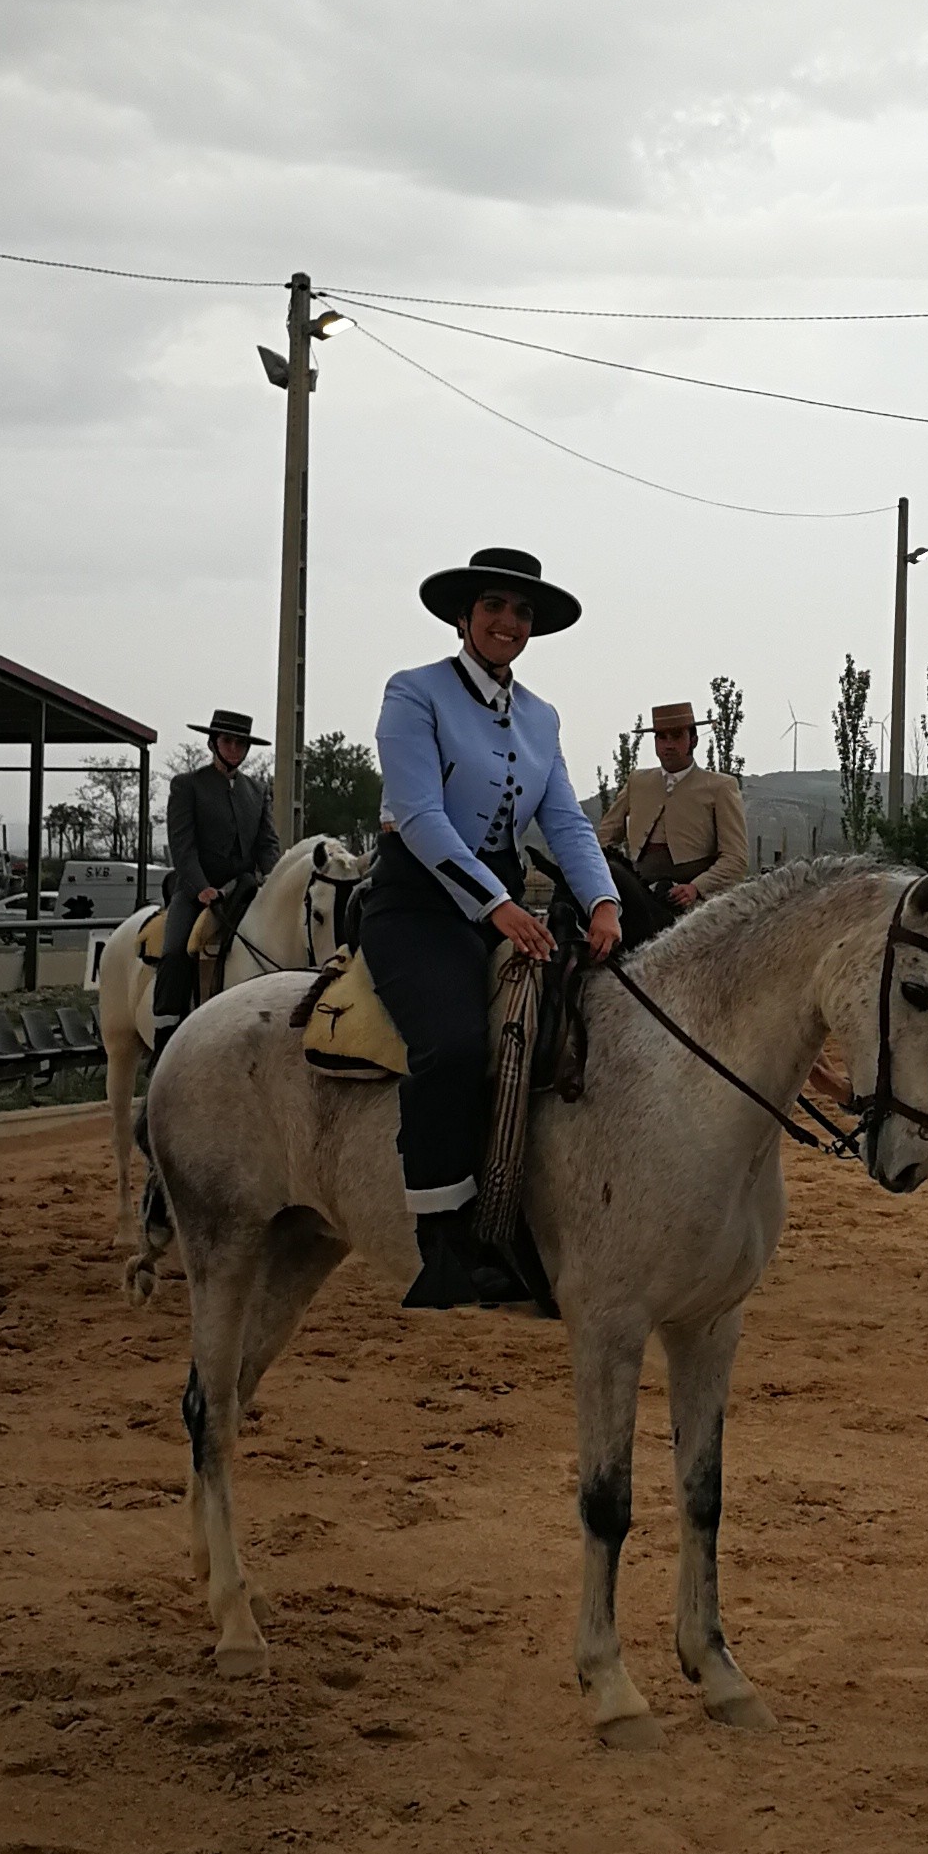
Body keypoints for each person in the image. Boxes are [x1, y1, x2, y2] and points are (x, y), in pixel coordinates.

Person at [359, 544, 622, 1309]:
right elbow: (418, 815)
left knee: (573, 1032)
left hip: (504, 903)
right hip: (417, 903)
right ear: (464, 617)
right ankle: (444, 1244)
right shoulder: (414, 693)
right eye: (494, 608)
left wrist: (602, 899)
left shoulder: (541, 716)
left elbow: (567, 821)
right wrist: (497, 906)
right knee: (456, 1043)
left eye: (522, 613)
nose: (509, 622)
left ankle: (530, 1218)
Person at [156, 710, 281, 1046]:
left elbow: (267, 844)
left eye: (241, 743)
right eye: (228, 741)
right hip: (198, 888)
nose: (234, 749)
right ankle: (165, 1027)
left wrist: (274, 879)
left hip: (243, 887)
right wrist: (201, 888)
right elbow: (182, 845)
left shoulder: (256, 790)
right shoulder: (188, 785)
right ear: (213, 742)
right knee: (176, 949)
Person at [598, 701, 749, 907]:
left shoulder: (720, 786)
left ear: (693, 740)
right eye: (661, 737)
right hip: (639, 891)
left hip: (695, 900)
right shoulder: (638, 781)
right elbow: (604, 837)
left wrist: (697, 888)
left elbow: (735, 858)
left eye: (677, 736)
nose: (668, 745)